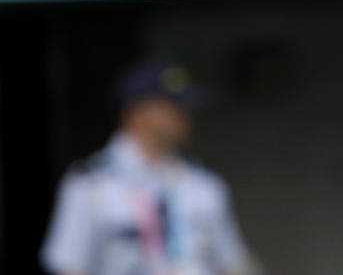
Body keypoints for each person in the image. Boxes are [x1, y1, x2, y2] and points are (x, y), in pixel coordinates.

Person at [41, 57, 250, 275]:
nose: (184, 116)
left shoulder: (204, 185)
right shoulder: (90, 185)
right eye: (173, 108)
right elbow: (67, 265)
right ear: (136, 111)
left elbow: (232, 264)